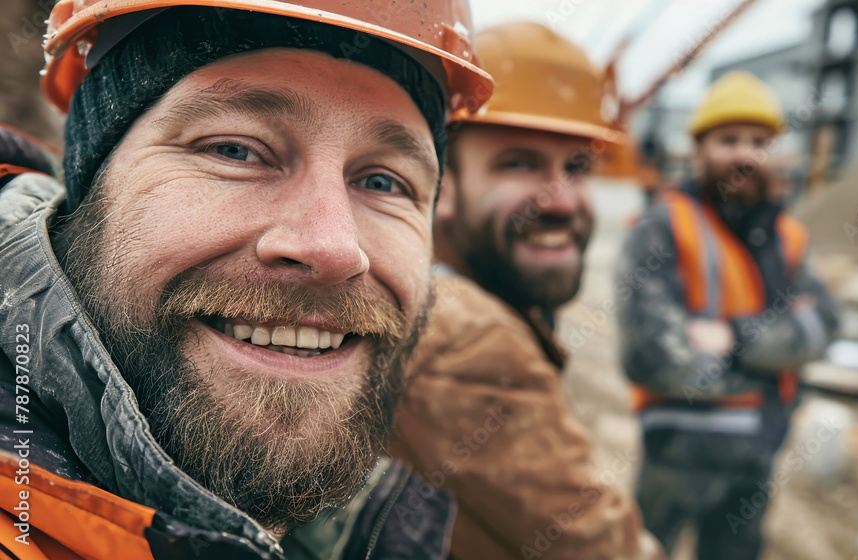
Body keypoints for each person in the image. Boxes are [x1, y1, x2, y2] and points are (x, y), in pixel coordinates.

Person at [0, 1, 492, 558]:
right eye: (234, 150)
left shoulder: (374, 526)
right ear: (87, 194)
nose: (333, 248)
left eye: (383, 181)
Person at [389, 22, 661, 560]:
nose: (560, 201)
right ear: (440, 182)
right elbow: (606, 547)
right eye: (518, 163)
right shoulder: (470, 339)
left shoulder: (422, 298)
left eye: (578, 166)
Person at [616, 71, 839, 559]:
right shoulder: (660, 229)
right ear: (698, 151)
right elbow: (653, 354)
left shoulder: (789, 237)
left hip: (759, 453)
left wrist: (732, 338)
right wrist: (772, 360)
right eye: (729, 139)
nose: (744, 154)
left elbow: (824, 326)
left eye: (758, 141)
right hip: (677, 452)